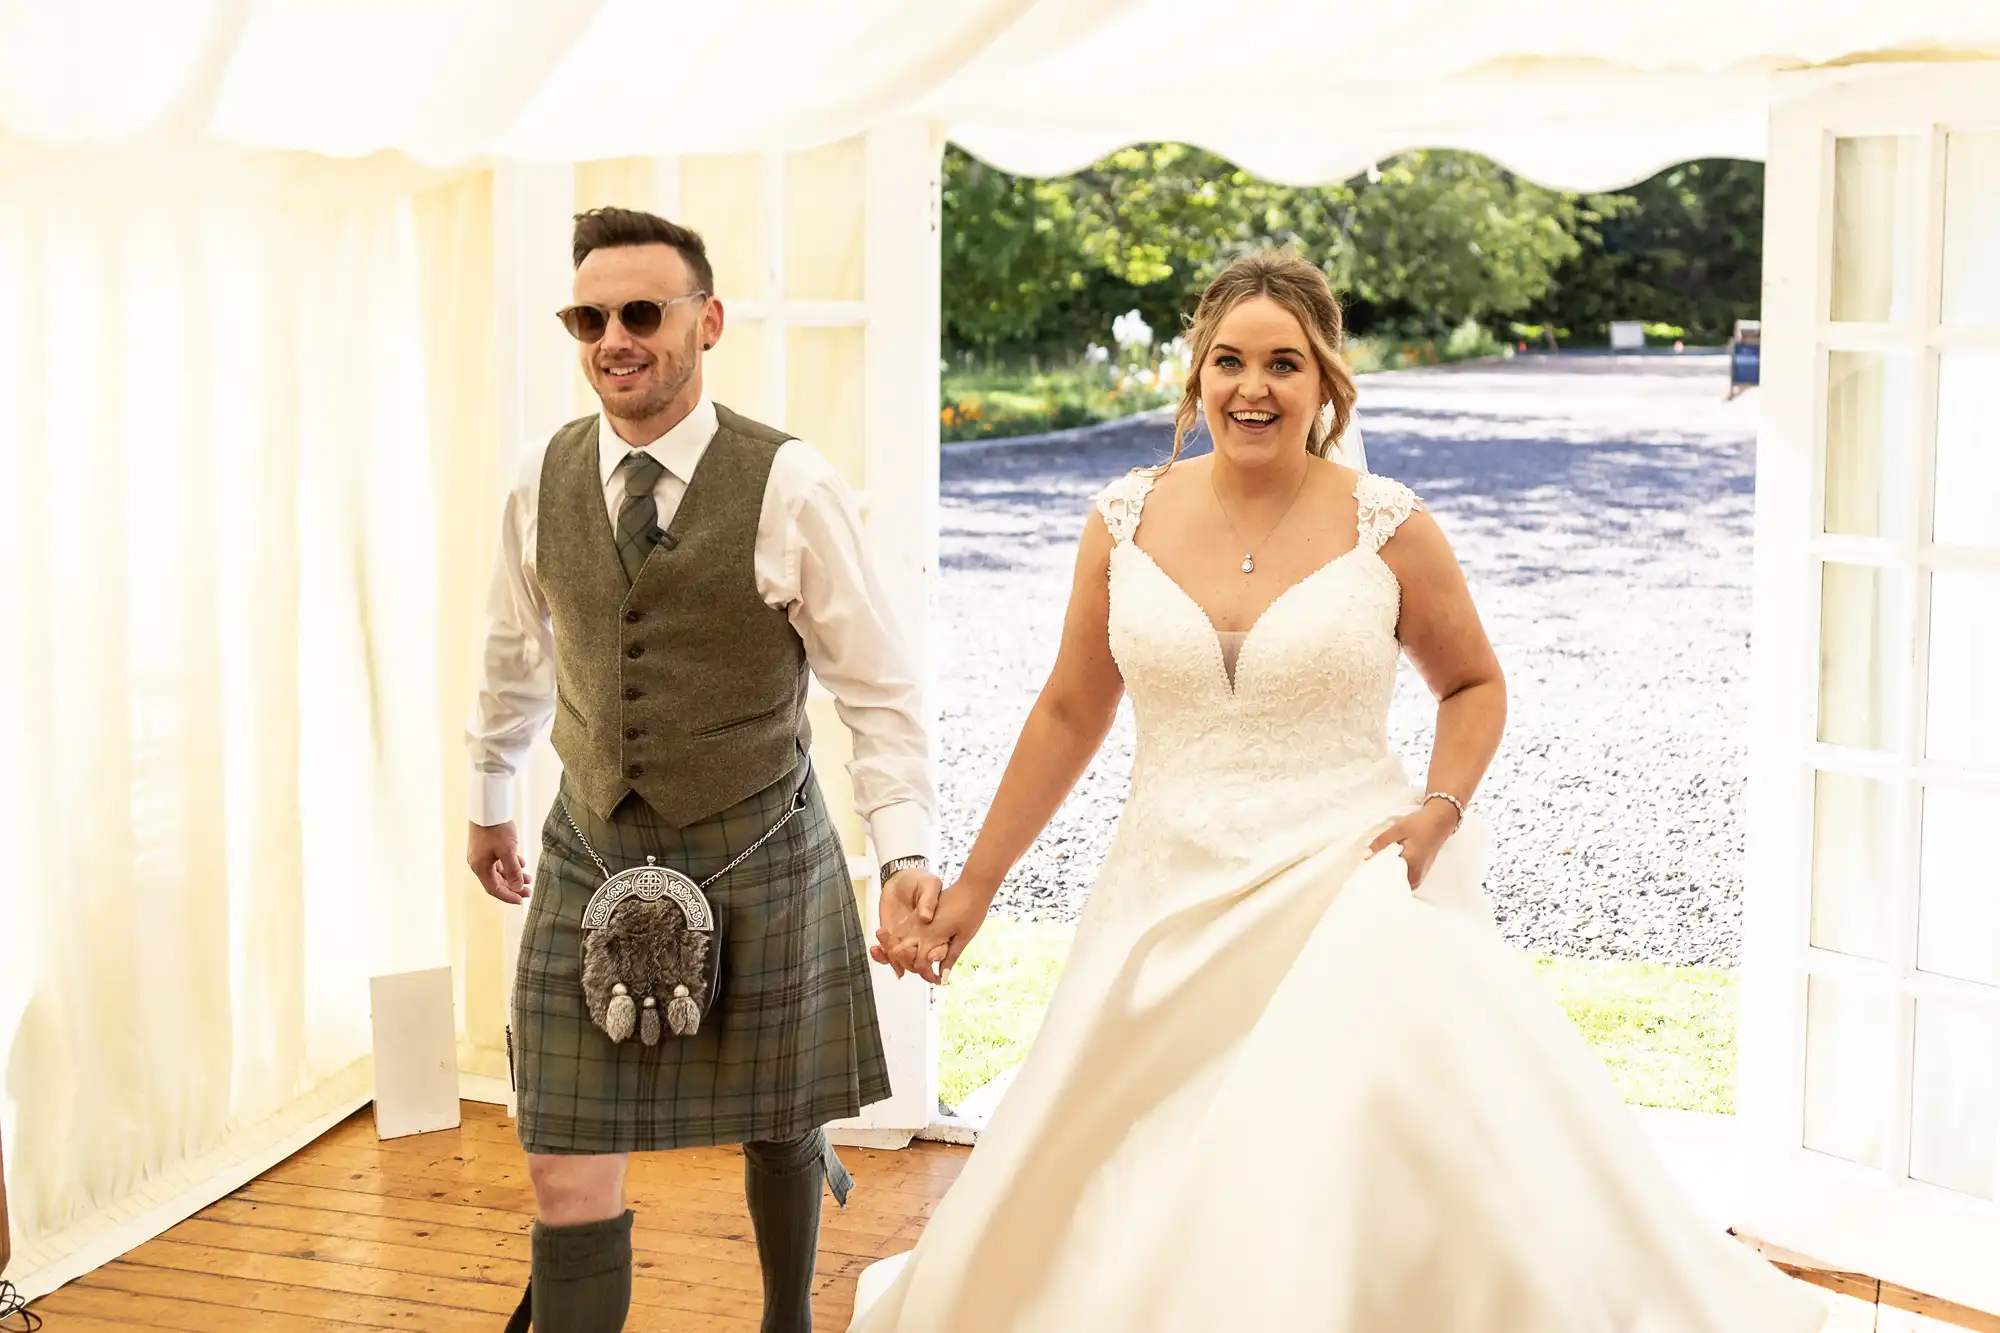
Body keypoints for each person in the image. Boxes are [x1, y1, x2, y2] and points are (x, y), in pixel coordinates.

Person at [851, 251, 1826, 1332]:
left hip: (1347, 882)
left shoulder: (1387, 525)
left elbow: (1473, 683)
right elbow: (1069, 711)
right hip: (1161, 895)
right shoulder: (1122, 519)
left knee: (1330, 1156)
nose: (1252, 387)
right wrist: (976, 886)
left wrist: (1439, 810)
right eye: (1227, 361)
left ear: (1325, 385)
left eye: (1283, 362)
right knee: (1124, 1163)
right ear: (1194, 376)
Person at [465, 207, 942, 1333]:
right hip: (587, 844)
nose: (612, 338)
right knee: (562, 1144)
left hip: (756, 839)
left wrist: (907, 848)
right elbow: (512, 655)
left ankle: (787, 1319)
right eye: (588, 316)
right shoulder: (541, 480)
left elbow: (876, 688)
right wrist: (489, 798)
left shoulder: (790, 485)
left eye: (641, 311)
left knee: (779, 1116)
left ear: (707, 321)